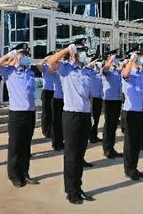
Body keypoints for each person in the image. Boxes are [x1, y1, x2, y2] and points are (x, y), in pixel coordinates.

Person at [47, 39, 95, 205]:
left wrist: (91, 114)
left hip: (84, 115)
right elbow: (51, 61)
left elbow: (89, 95)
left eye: (84, 51)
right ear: (74, 54)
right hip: (71, 116)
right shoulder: (66, 70)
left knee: (80, 155)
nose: (84, 54)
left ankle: (78, 187)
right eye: (80, 51)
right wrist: (67, 49)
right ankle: (71, 191)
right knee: (72, 156)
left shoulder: (86, 71)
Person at [0, 43, 39, 187]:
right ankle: (14, 175)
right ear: (17, 55)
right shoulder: (9, 71)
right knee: (15, 146)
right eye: (23, 54)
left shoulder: (30, 73)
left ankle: (25, 173)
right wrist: (7, 56)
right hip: (16, 113)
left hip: (30, 112)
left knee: (26, 146)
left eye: (27, 55)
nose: (26, 57)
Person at [121, 47, 143, 181]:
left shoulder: (142, 73)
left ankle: (134, 167)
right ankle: (129, 169)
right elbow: (125, 75)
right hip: (130, 111)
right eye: (138, 56)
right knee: (130, 143)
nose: (140, 58)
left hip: (140, 111)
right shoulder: (128, 71)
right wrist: (131, 60)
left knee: (137, 142)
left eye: (141, 56)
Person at [40, 52, 65, 151]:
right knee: (54, 119)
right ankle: (55, 142)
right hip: (54, 96)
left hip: (64, 97)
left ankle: (61, 141)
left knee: (61, 121)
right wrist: (47, 59)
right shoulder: (51, 67)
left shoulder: (63, 67)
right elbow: (49, 70)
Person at [101, 49, 123, 159]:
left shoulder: (116, 70)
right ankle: (107, 149)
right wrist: (110, 60)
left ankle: (112, 147)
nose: (116, 58)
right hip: (109, 100)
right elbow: (105, 70)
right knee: (108, 125)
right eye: (114, 57)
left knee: (114, 125)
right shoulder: (107, 68)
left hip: (117, 100)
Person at [36, 51, 56, 139]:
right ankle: (46, 131)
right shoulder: (45, 66)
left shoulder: (57, 66)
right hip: (47, 91)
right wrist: (45, 59)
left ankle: (53, 129)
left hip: (56, 92)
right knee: (46, 112)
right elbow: (38, 65)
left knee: (54, 112)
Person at [84, 54, 103, 143]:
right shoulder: (89, 71)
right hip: (92, 98)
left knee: (97, 117)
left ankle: (94, 135)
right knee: (92, 118)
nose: (98, 63)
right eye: (97, 61)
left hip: (99, 97)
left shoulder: (99, 72)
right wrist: (91, 65)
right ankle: (90, 135)